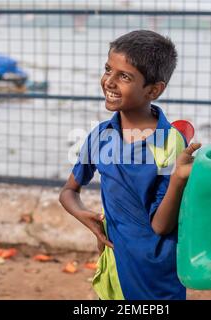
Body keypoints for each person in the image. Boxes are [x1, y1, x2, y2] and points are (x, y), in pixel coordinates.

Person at [59, 30, 201, 300]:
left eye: (124, 76)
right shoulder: (100, 135)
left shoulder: (170, 143)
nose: (109, 82)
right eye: (107, 70)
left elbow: (161, 226)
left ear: (154, 90)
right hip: (114, 267)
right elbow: (68, 191)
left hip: (156, 277)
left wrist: (179, 179)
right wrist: (84, 216)